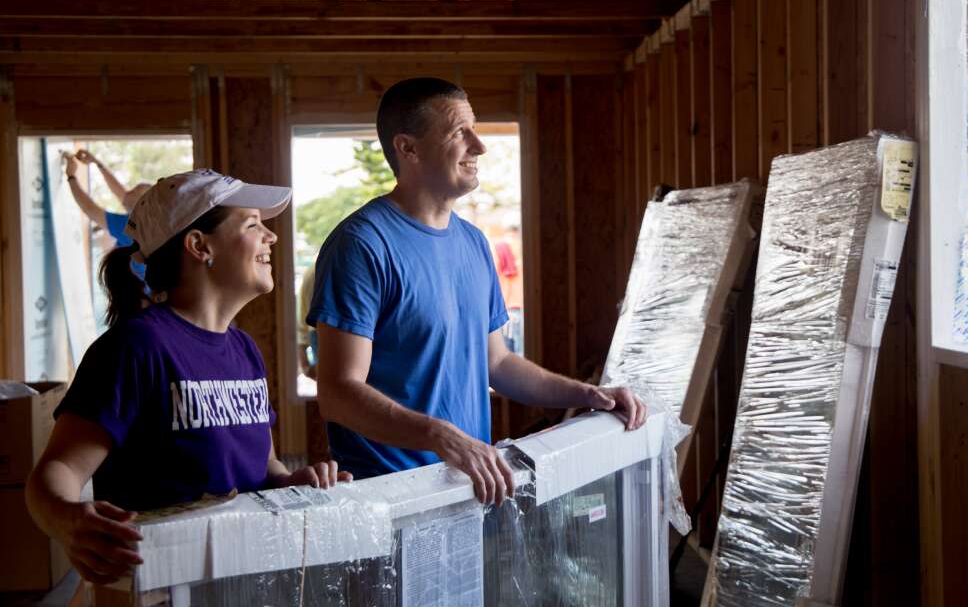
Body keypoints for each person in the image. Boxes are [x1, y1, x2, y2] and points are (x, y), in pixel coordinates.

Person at [307, 78, 647, 507]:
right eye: (458, 133)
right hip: (388, 499)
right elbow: (338, 394)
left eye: (474, 129)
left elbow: (498, 362)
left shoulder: (472, 243)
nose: (479, 146)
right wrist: (441, 435)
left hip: (465, 490)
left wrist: (588, 394)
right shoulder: (361, 244)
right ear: (407, 149)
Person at [25, 169, 350, 585]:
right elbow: (55, 474)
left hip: (239, 582)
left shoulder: (245, 350)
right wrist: (68, 521)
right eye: (253, 224)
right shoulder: (135, 348)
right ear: (199, 246)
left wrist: (290, 482)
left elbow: (262, 465)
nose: (271, 237)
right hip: (161, 587)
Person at [62, 149, 150, 280]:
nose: (128, 191)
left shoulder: (131, 227)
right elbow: (120, 192)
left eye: (135, 190)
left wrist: (71, 176)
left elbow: (90, 209)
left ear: (140, 204)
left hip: (137, 295)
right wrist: (97, 163)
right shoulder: (145, 222)